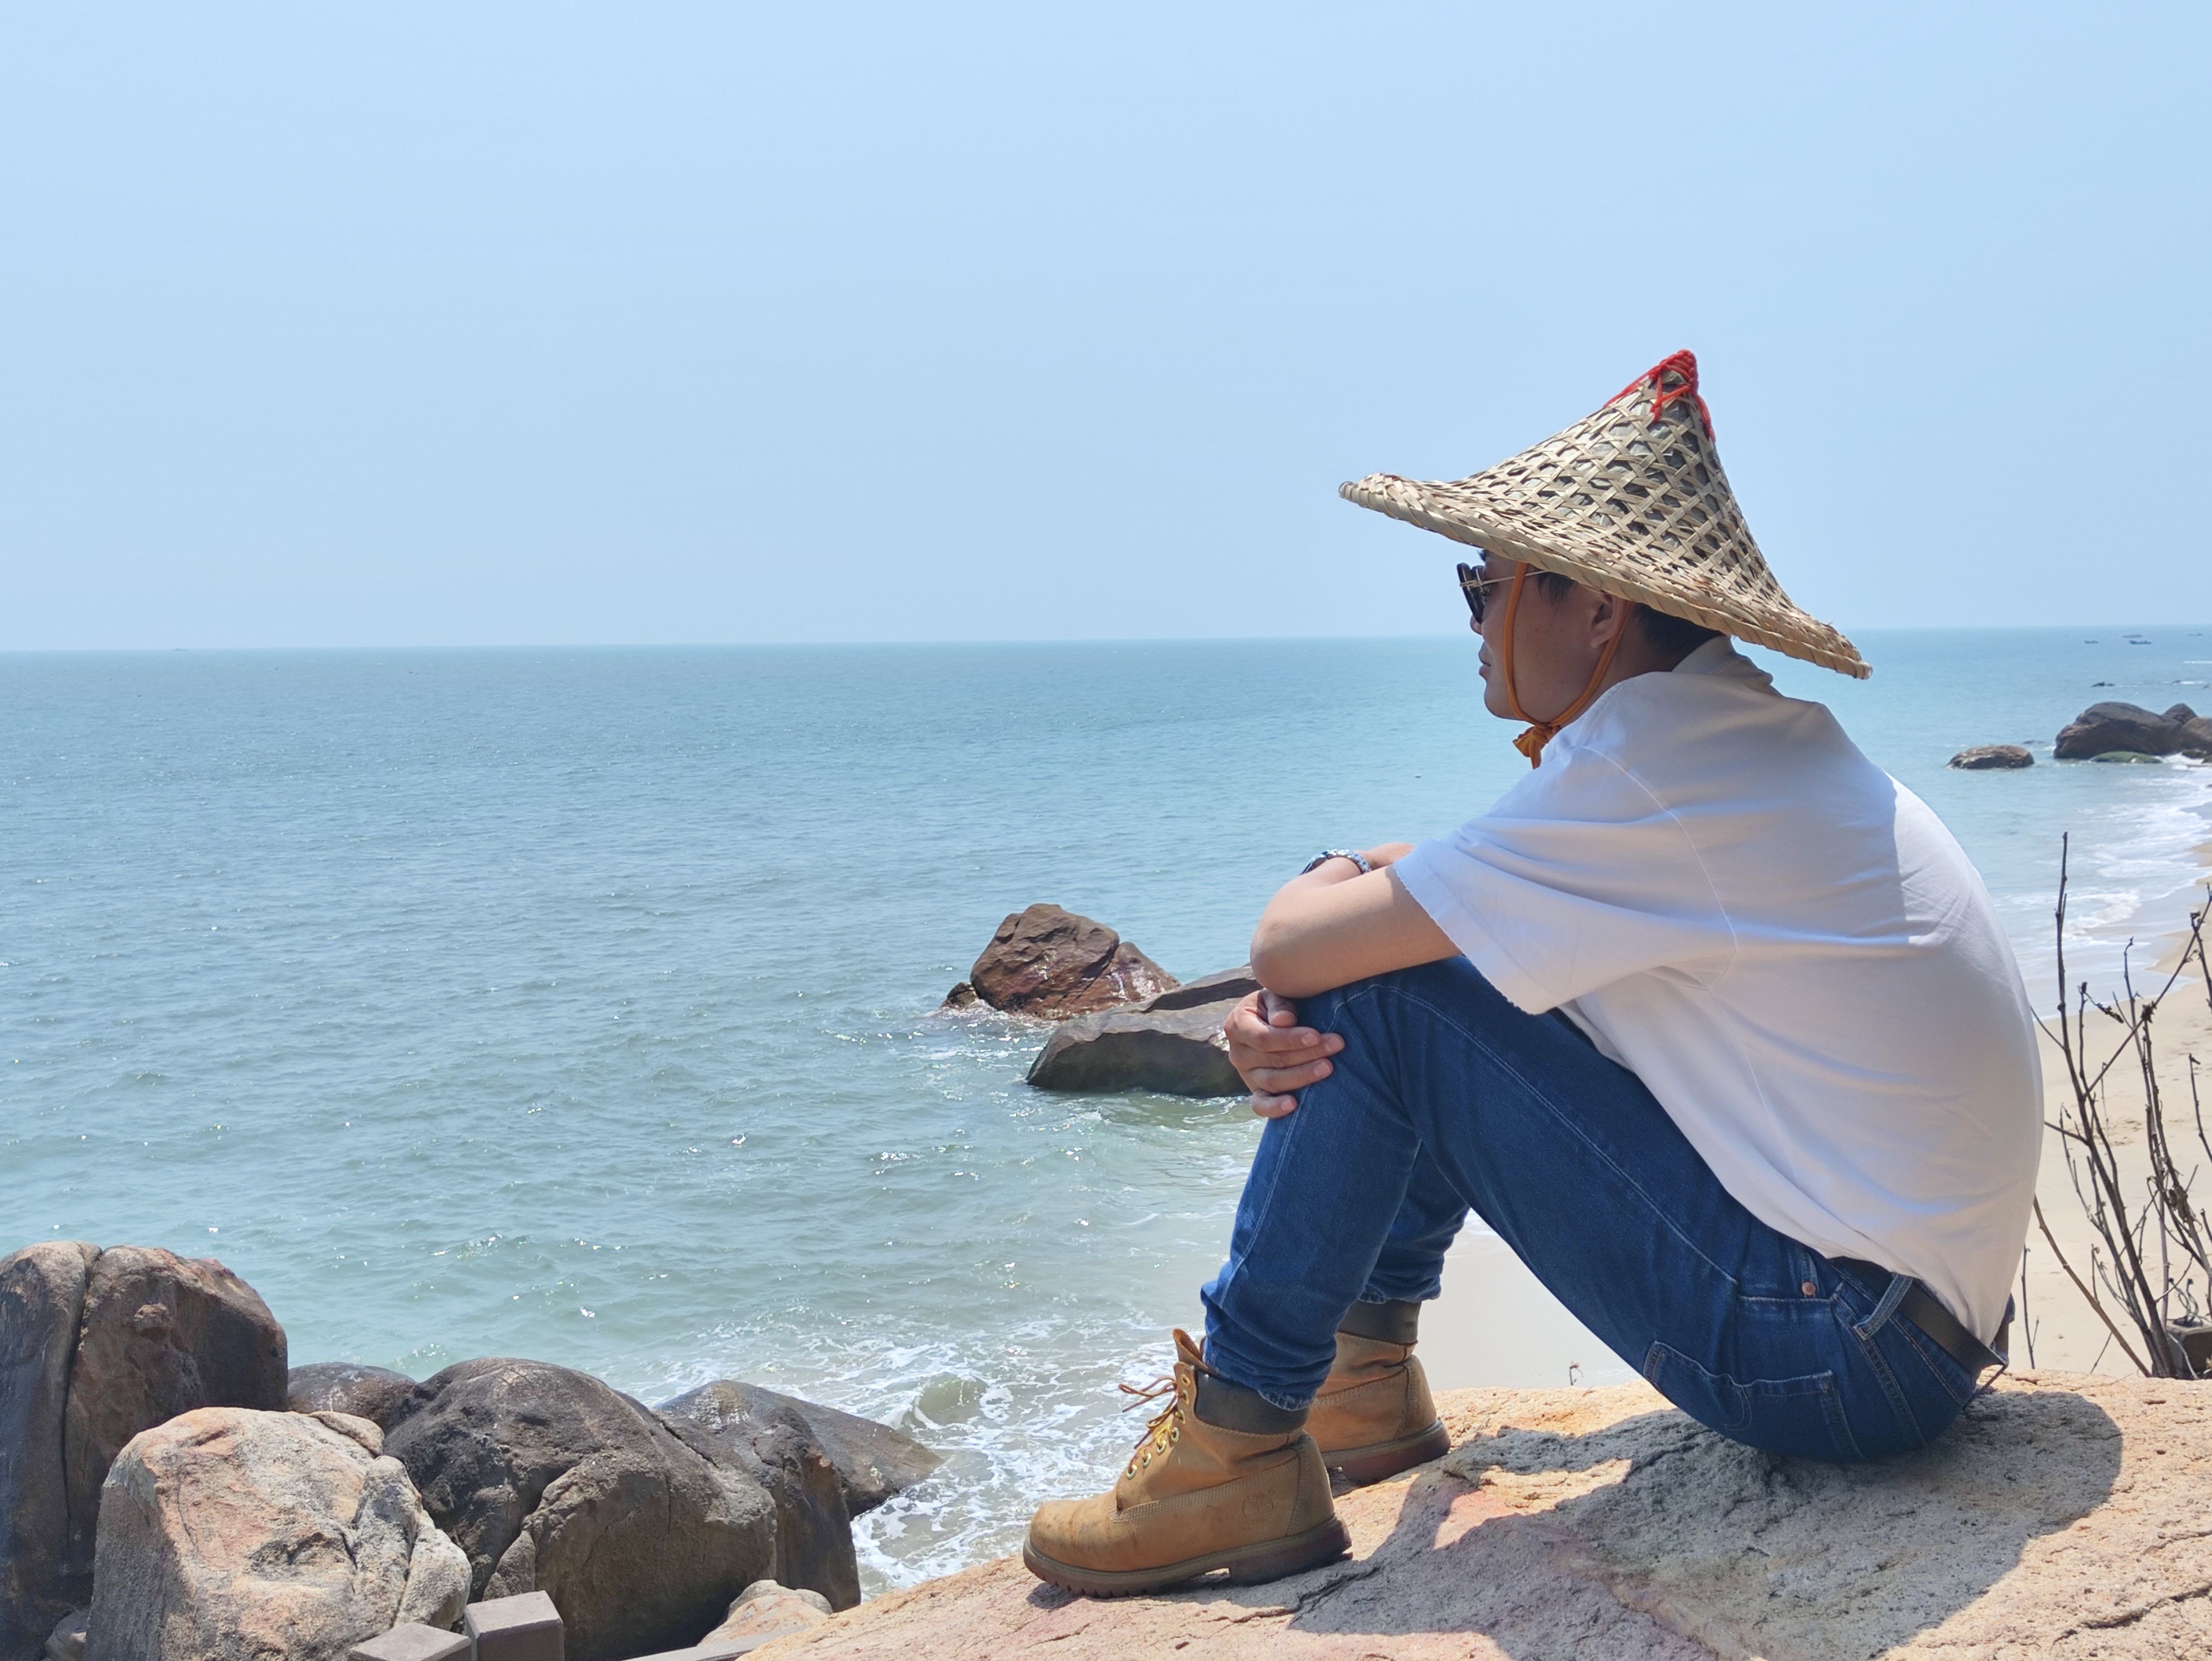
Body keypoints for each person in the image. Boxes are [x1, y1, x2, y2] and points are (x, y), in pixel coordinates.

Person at [1020, 352, 2043, 1598]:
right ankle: (1354, 1386)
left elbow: (1297, 946)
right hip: (1901, 1336)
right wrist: (1348, 906)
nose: (1471, 618)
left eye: (1484, 583)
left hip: (1839, 1358)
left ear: (1597, 609)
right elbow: (1456, 903)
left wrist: (1317, 914)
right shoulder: (1719, 739)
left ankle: (1237, 1449)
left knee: (1381, 992)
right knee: (1416, 968)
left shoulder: (1649, 773)